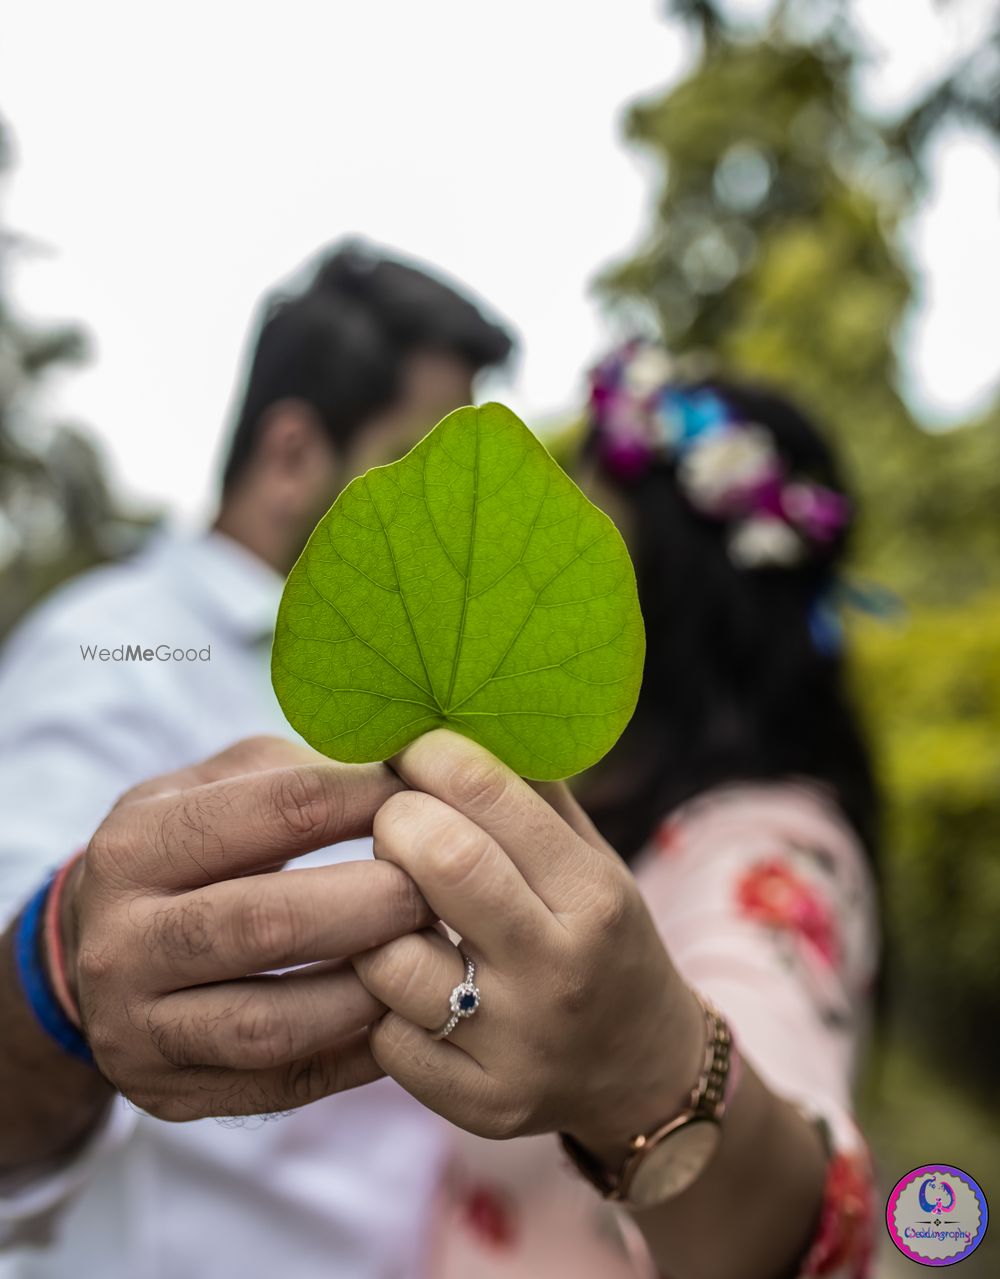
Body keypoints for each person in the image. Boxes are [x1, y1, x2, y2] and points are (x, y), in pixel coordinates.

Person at [0, 242, 513, 1277]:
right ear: (291, 455)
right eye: (417, 470)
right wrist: (57, 975)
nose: (454, 527)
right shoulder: (122, 643)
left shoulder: (418, 686)